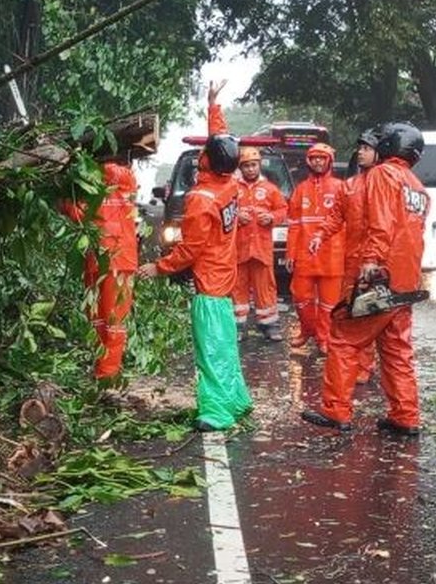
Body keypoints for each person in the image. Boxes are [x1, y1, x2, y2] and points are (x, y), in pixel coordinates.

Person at [137, 81, 252, 432]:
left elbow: (191, 249)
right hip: (225, 275)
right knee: (225, 343)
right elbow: (221, 140)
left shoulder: (201, 199)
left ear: (207, 161)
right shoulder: (229, 183)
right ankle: (236, 399)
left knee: (212, 348)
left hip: (211, 282)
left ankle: (217, 411)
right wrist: (213, 105)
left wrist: (158, 267)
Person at [301, 121, 429, 436]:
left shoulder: (382, 175)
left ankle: (336, 411)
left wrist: (371, 261)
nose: (364, 151)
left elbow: (382, 225)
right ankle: (406, 416)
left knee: (344, 339)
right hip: (405, 281)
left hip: (378, 276)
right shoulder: (417, 187)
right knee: (397, 348)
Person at [308, 128, 382, 383]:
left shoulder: (384, 183)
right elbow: (335, 216)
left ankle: (365, 366)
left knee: (369, 314)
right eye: (359, 148)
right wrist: (319, 235)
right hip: (352, 260)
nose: (361, 152)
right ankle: (353, 365)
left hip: (376, 261)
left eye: (367, 148)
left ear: (378, 153)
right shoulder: (350, 186)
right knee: (351, 314)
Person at [59, 155, 139, 383]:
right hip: (106, 261)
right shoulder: (100, 187)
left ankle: (106, 375)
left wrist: (66, 200)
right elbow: (80, 214)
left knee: (108, 320)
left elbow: (79, 214)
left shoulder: (110, 183)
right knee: (102, 319)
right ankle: (102, 369)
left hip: (110, 261)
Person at [286, 143, 346, 352]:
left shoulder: (340, 187)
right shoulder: (300, 189)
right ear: (308, 161)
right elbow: (293, 225)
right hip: (305, 255)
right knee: (300, 297)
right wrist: (290, 253)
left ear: (329, 160)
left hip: (333, 256)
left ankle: (324, 337)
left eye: (322, 158)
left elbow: (348, 223)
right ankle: (307, 330)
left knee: (329, 303)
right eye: (314, 158)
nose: (318, 161)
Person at [234, 146, 288, 342]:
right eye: (246, 166)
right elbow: (222, 211)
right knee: (238, 287)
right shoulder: (233, 188)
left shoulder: (270, 189)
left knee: (265, 287)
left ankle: (269, 325)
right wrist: (237, 216)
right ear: (240, 167)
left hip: (261, 249)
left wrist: (272, 217)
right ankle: (238, 326)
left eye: (253, 165)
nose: (250, 169)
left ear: (259, 165)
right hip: (239, 249)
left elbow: (283, 210)